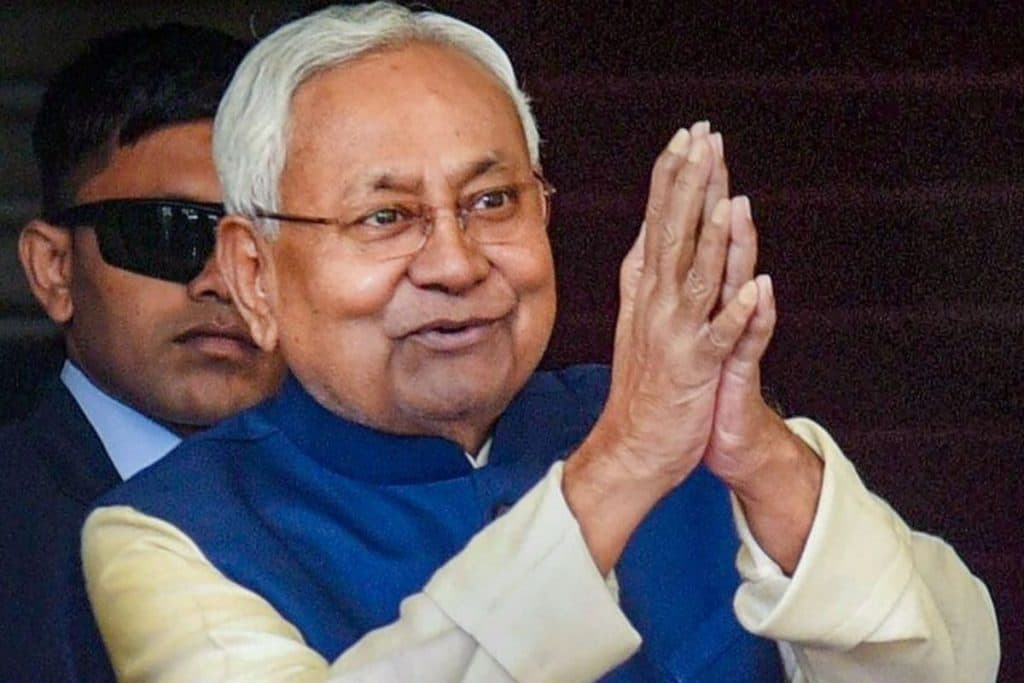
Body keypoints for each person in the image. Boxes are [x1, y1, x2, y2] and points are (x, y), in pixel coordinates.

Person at [80, 3, 1000, 682]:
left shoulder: (680, 424)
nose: (455, 262)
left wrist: (758, 452)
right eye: (386, 216)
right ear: (252, 273)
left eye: (492, 201)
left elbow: (955, 663)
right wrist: (619, 471)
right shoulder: (170, 534)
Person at [0, 24, 286, 680]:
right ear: (54, 269)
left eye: (263, 242)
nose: (222, 281)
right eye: (166, 232)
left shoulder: (375, 505)